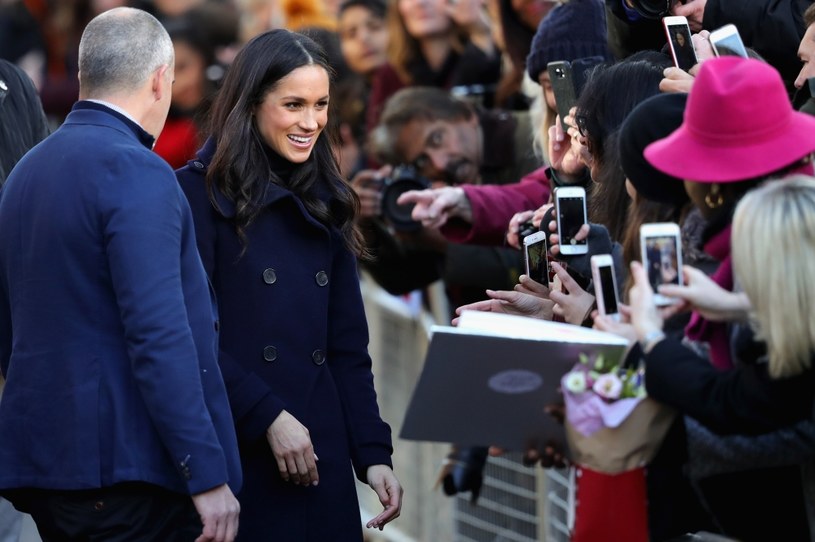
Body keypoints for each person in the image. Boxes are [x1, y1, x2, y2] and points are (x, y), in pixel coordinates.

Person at [0, 7, 241, 542]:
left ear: (84, 77)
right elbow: (159, 333)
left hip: (49, 468)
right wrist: (204, 472)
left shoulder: (24, 173)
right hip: (129, 473)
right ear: (161, 80)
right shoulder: (137, 170)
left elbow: (9, 326)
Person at [176, 29, 402, 541]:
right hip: (236, 454)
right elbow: (190, 337)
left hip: (321, 453)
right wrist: (268, 415)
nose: (311, 122)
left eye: (321, 105)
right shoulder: (192, 195)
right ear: (250, 105)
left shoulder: (329, 197)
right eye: (293, 104)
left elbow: (346, 347)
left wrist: (372, 454)